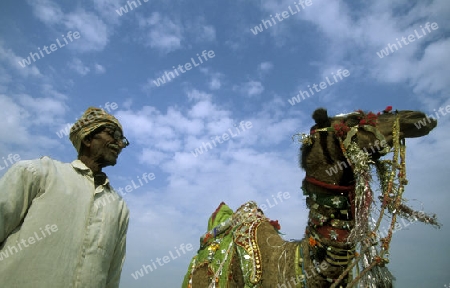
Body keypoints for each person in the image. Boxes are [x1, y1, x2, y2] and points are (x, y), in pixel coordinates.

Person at [0, 107, 130, 288]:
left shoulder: (118, 206)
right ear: (87, 138)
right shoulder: (38, 173)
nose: (120, 144)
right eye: (113, 134)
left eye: (123, 139)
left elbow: (112, 275)